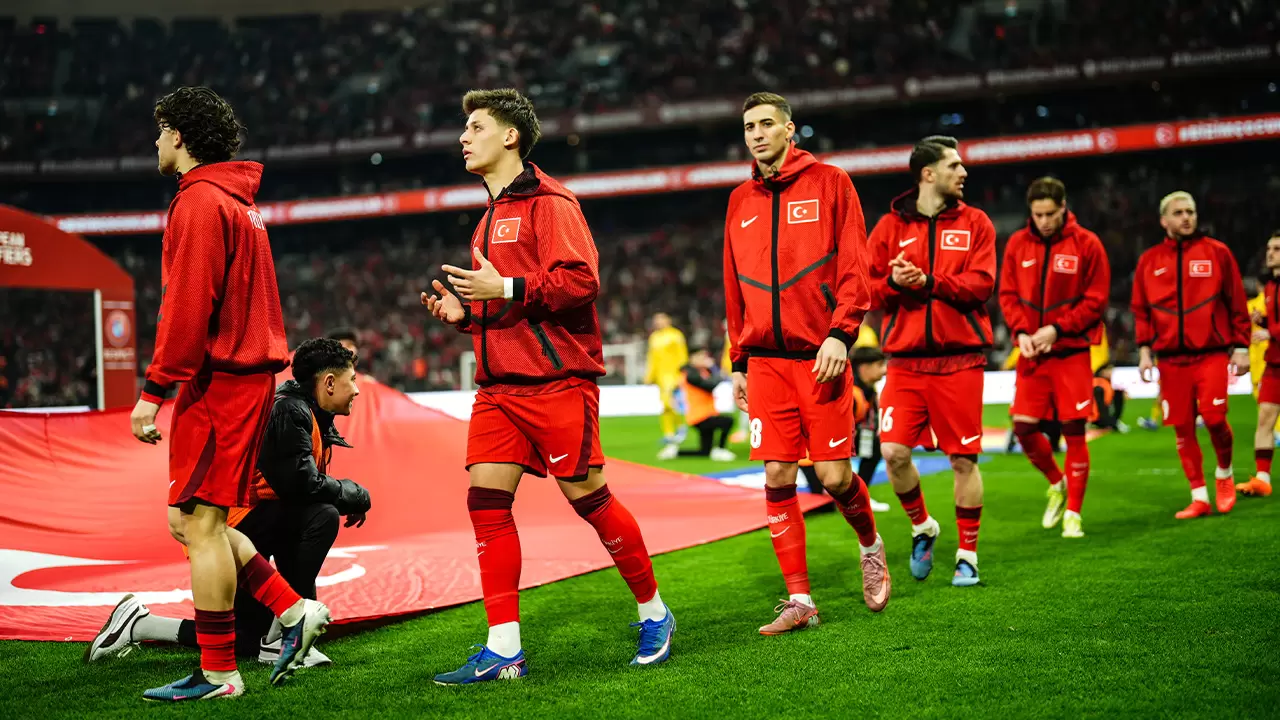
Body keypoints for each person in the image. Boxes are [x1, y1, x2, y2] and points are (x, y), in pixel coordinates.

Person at [419, 88, 674, 684]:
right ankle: (504, 649)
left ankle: (654, 613)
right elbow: (509, 305)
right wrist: (468, 316)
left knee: (590, 501)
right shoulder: (487, 218)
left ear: (510, 136)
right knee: (485, 504)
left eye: (475, 127)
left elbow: (581, 281)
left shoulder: (552, 203)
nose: (463, 138)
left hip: (557, 383)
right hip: (498, 390)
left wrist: (503, 289)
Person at [126, 87, 329, 701]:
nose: (155, 142)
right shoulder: (238, 203)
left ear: (179, 136)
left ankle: (218, 673)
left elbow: (188, 308)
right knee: (191, 521)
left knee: (201, 524)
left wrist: (154, 389)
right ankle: (291, 610)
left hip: (220, 384)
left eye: (160, 131)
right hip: (242, 380)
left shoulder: (199, 201)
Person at [89, 338, 372, 667]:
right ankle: (284, 631)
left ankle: (139, 624)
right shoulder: (289, 410)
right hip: (231, 529)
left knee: (246, 638)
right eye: (353, 379)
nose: (357, 389)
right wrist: (354, 495)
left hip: (245, 527)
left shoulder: (306, 411)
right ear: (329, 382)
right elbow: (299, 485)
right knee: (321, 515)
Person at [723, 91, 889, 635]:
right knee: (776, 472)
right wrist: (738, 361)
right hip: (765, 362)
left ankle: (870, 543)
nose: (757, 134)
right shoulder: (739, 200)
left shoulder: (831, 182)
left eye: (766, 123)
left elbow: (856, 264)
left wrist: (842, 333)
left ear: (790, 129)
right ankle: (800, 599)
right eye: (749, 126)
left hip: (822, 356)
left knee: (835, 477)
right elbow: (732, 287)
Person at [865, 135, 996, 587]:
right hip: (904, 362)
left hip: (960, 360)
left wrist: (928, 281)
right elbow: (866, 291)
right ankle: (923, 526)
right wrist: (895, 284)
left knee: (963, 460)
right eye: (954, 165)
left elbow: (982, 285)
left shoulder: (977, 222)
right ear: (928, 173)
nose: (963, 172)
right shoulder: (888, 228)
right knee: (893, 453)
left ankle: (968, 556)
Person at [999, 177, 1110, 538]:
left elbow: (1096, 300)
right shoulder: (1017, 244)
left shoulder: (1087, 244)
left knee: (1074, 431)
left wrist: (1058, 329)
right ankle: (1057, 482)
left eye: (1050, 214)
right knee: (1023, 427)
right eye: (1038, 215)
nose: (1045, 221)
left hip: (1071, 352)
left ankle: (1074, 513)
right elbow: (1008, 295)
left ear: (1064, 207)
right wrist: (1020, 332)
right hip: (1032, 352)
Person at [1131, 191, 1251, 519]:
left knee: (1214, 419)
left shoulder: (1217, 253)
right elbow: (1141, 310)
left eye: (1191, 211)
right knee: (1182, 428)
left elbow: (1237, 301)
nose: (1186, 217)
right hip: (1170, 359)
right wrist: (1144, 351)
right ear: (1164, 221)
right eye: (1179, 213)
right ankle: (1199, 497)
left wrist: (1241, 346)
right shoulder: (1149, 261)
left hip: (1210, 353)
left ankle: (1224, 473)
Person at [1239, 231, 1280, 498]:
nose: (1270, 253)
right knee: (1265, 417)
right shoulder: (1271, 287)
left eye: (1277, 249)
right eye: (1269, 248)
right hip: (1274, 364)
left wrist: (1270, 332)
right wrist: (1263, 322)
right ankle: (1262, 479)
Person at [658, 348, 736, 460]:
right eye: (701, 356)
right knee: (728, 421)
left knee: (705, 451)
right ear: (692, 358)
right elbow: (709, 386)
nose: (704, 359)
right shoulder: (690, 374)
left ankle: (675, 452)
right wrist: (715, 371)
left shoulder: (701, 371)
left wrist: (713, 369)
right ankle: (720, 449)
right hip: (700, 416)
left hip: (707, 413)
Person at [645, 312, 690, 446]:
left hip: (673, 375)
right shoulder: (654, 337)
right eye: (656, 320)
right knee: (665, 405)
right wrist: (650, 376)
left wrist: (682, 375)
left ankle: (680, 427)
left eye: (661, 320)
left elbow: (682, 356)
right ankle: (668, 433)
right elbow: (651, 358)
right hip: (660, 377)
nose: (658, 322)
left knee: (669, 403)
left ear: (668, 320)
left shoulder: (676, 335)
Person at [1090, 363, 1128, 433]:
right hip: (1096, 416)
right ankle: (1112, 422)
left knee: (1118, 393)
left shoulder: (1106, 382)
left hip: (1098, 415)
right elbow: (1100, 405)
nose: (1111, 372)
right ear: (1102, 372)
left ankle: (1113, 421)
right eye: (1109, 370)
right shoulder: (1099, 383)